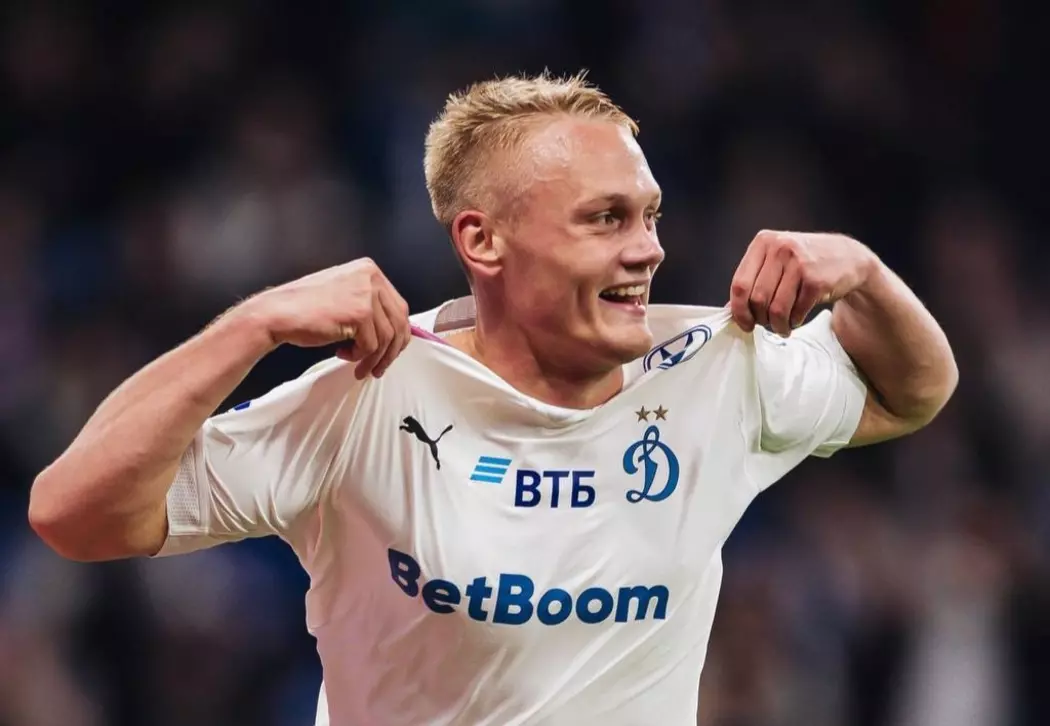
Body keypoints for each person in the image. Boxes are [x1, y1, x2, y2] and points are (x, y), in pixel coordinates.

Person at [28, 71, 958, 725]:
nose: (648, 249)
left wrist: (864, 273)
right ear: (482, 242)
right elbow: (74, 514)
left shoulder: (719, 366)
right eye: (606, 219)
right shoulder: (369, 393)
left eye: (649, 215)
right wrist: (254, 325)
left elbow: (912, 394)